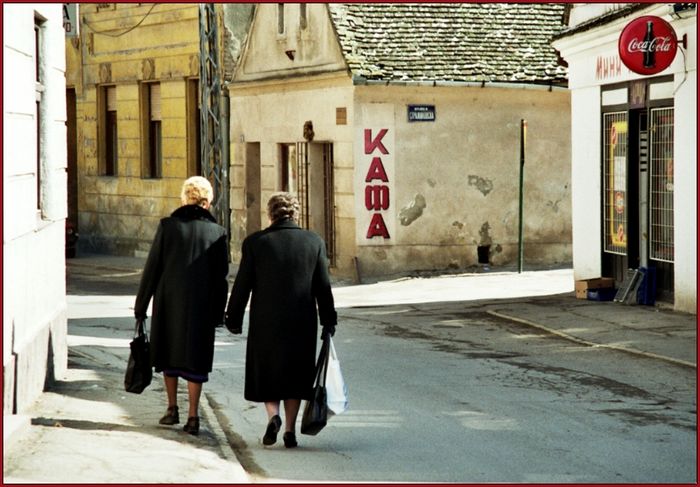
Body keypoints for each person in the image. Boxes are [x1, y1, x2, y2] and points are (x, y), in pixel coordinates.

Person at [225, 192, 337, 448]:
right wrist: (328, 320)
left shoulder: (255, 243)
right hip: (302, 321)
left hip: (266, 321)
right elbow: (323, 287)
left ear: (270, 214)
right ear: (295, 213)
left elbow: (242, 285)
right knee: (296, 376)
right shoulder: (313, 242)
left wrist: (234, 318)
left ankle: (272, 416)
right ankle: (289, 430)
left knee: (268, 373)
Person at [134, 176, 229, 435]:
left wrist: (140, 306)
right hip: (202, 307)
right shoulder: (218, 233)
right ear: (207, 202)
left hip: (169, 302)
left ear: (184, 199)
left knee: (168, 355)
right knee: (195, 360)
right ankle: (193, 416)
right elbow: (221, 278)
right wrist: (219, 313)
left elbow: (152, 268)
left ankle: (172, 408)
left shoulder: (168, 226)